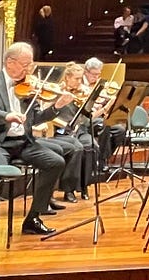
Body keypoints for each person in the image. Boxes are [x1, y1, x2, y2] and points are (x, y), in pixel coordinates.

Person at [0, 42, 75, 240]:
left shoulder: (27, 86)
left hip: (22, 142)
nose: (29, 69)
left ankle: (33, 218)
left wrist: (57, 106)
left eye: (30, 65)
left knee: (55, 162)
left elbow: (36, 118)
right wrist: (6, 115)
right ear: (10, 62)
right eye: (26, 64)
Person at [49, 63, 95, 202]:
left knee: (91, 145)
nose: (79, 82)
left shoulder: (80, 93)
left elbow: (86, 117)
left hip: (78, 129)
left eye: (81, 79)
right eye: (76, 79)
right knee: (77, 148)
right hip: (62, 130)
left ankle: (84, 186)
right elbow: (49, 114)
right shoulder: (58, 92)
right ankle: (68, 189)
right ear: (67, 78)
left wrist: (89, 101)